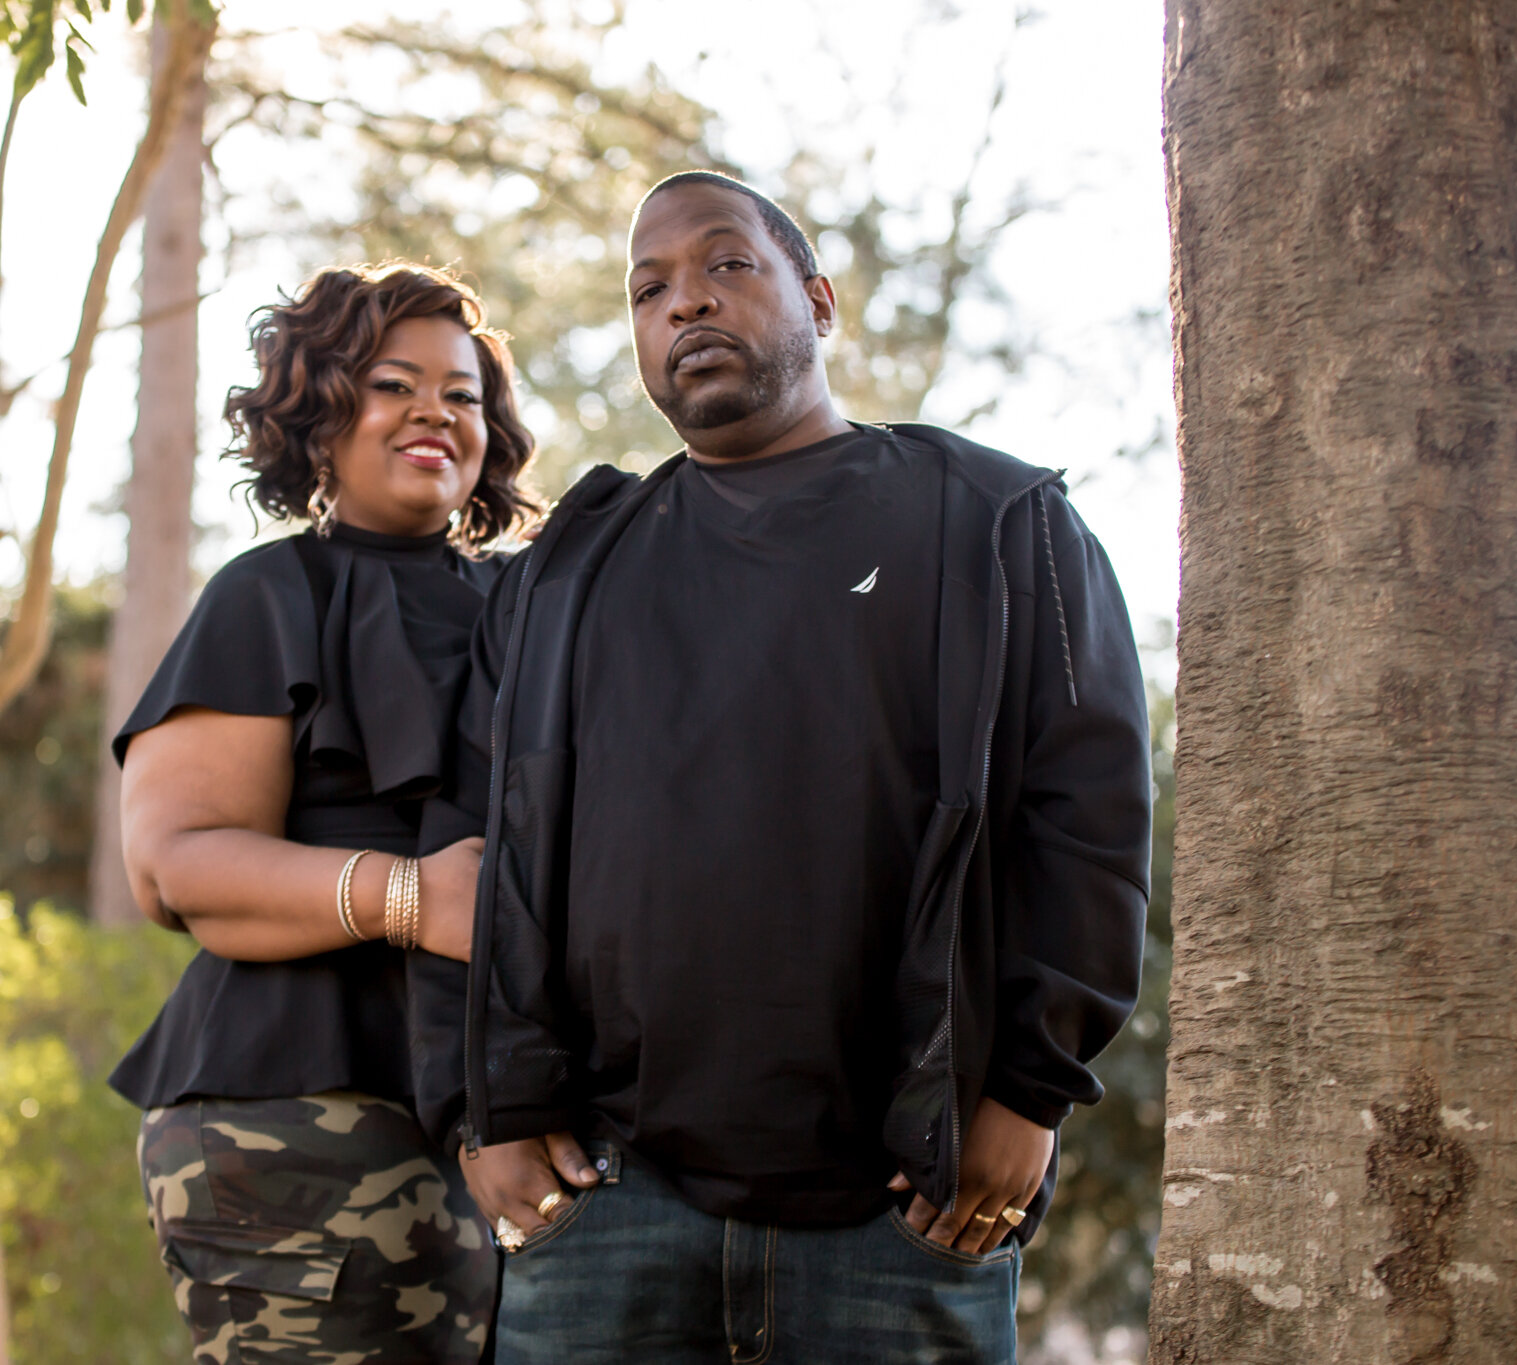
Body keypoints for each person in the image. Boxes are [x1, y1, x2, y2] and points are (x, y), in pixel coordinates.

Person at [412, 172, 1152, 1363]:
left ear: (816, 299)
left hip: (906, 1204)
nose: (684, 304)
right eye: (649, 289)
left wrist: (1027, 1093)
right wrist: (480, 1111)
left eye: (725, 267)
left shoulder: (995, 525)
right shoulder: (564, 574)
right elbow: (471, 844)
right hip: (606, 1201)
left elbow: (1089, 823)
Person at [112, 262, 539, 1364]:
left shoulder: (531, 606)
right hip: (295, 1115)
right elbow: (175, 868)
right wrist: (411, 898)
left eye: (462, 392)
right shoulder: (268, 595)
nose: (434, 411)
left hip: (510, 1118)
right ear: (320, 409)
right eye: (394, 383)